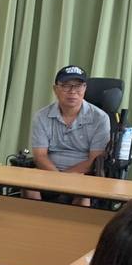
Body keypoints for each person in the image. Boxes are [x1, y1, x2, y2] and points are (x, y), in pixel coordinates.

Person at [25, 64, 110, 206]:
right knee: (27, 185)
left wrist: (65, 179)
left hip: (83, 174)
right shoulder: (41, 116)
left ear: (85, 89)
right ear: (55, 89)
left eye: (78, 86)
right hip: (48, 171)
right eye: (66, 85)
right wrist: (58, 179)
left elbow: (94, 161)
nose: (73, 91)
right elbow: (40, 156)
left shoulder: (100, 118)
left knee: (84, 193)